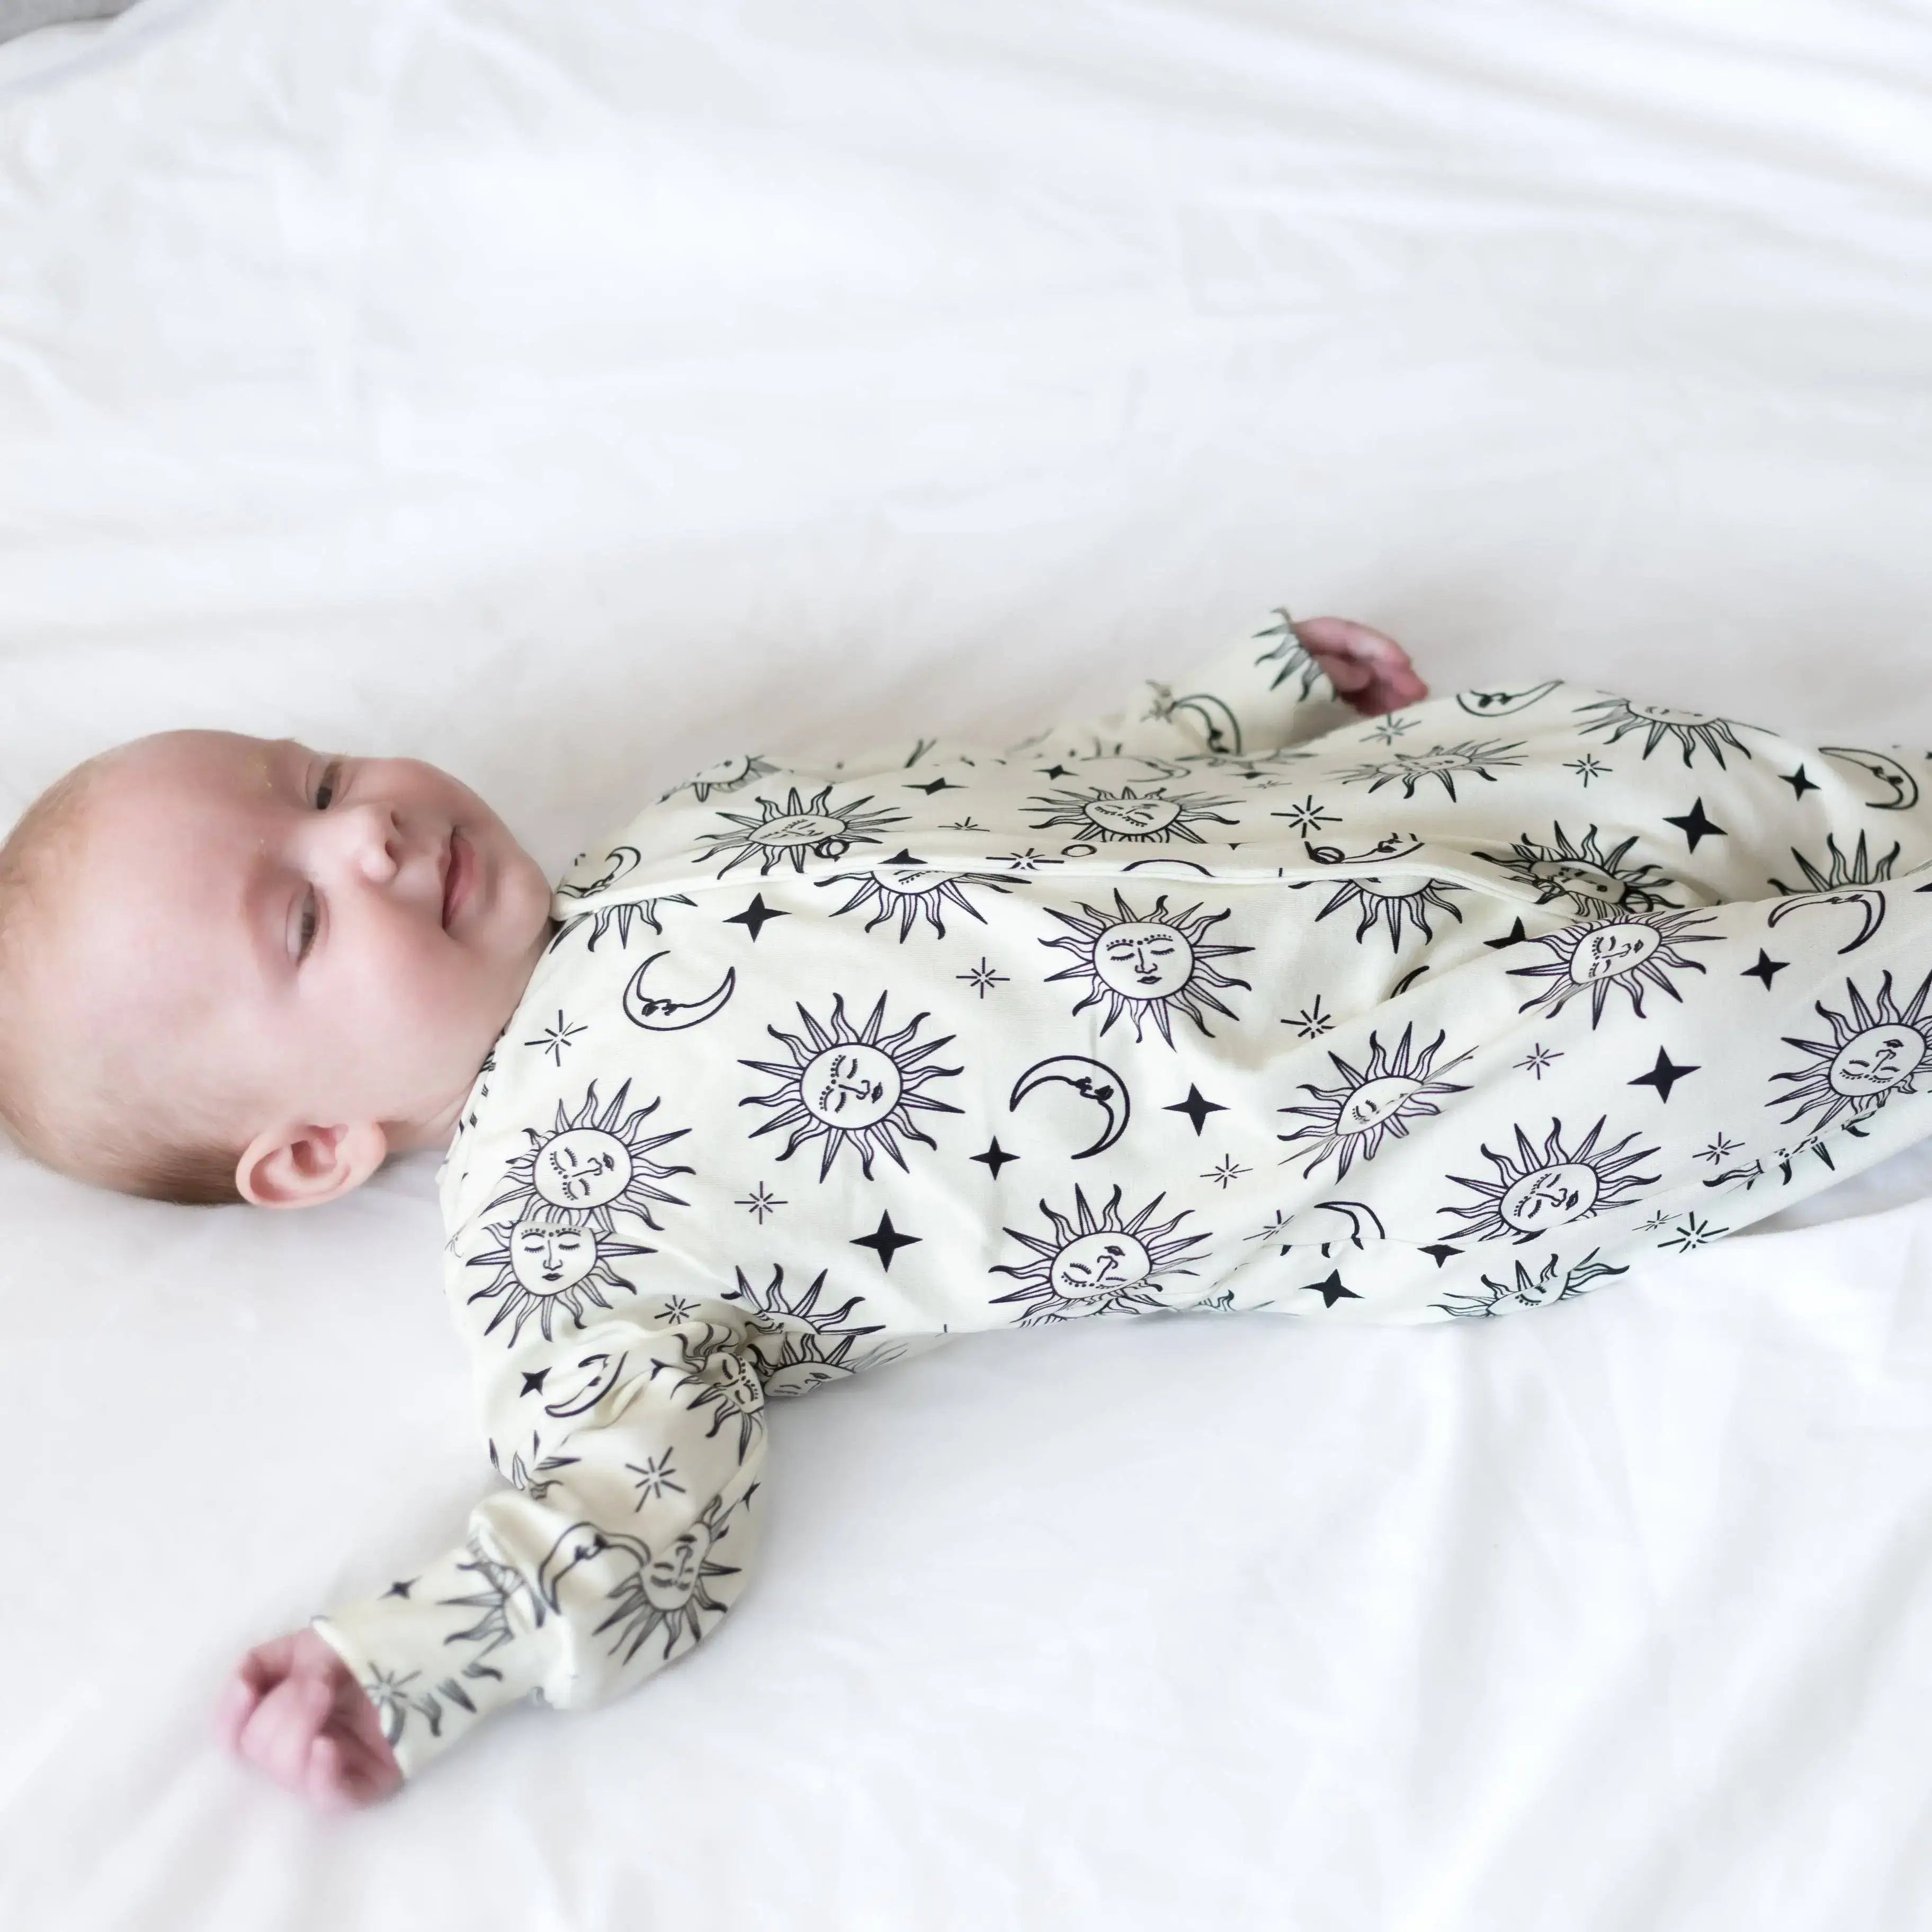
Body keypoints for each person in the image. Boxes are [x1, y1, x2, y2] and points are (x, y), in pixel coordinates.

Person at [4, 612, 1928, 1811]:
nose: (365, 830)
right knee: (1743, 1021)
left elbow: (1029, 788)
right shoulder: (557, 1237)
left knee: (1682, 775)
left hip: (1390, 841)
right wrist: (419, 1653)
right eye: (300, 914)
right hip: (1375, 1120)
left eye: (317, 777)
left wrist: (1239, 707)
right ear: (315, 1153)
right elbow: (631, 1513)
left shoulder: (690, 824)